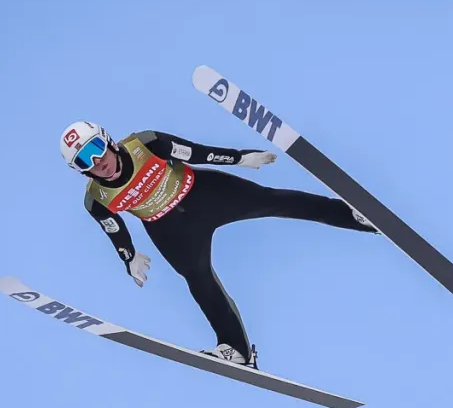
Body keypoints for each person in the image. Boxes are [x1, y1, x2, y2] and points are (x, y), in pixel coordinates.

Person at [59, 120, 379, 369]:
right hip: (169, 228)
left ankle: (354, 216)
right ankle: (236, 350)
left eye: (97, 147)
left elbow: (197, 152)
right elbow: (113, 228)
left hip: (204, 194)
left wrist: (240, 158)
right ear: (81, 170)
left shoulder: (146, 144)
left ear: (108, 139)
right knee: (198, 281)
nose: (98, 161)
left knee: (275, 201)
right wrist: (129, 258)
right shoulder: (97, 200)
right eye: (85, 160)